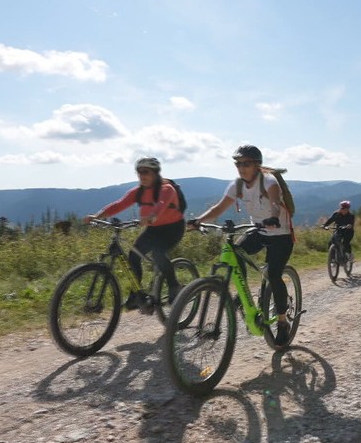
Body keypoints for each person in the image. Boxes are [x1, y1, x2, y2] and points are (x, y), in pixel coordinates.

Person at [191, 144, 294, 346]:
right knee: (235, 252)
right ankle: (243, 293)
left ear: (257, 165)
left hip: (280, 234)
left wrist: (274, 217)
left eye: (246, 163)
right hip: (259, 231)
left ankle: (282, 323)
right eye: (238, 163)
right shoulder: (237, 185)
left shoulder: (269, 181)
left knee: (273, 275)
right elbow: (219, 208)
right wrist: (198, 220)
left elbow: (274, 201)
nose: (241, 167)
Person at [84, 157, 186, 311]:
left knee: (158, 253)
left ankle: (174, 286)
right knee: (133, 255)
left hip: (173, 228)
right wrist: (97, 216)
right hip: (153, 229)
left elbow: (161, 205)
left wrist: (152, 216)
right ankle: (136, 296)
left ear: (155, 173)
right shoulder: (138, 192)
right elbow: (119, 204)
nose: (141, 175)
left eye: (146, 172)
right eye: (139, 171)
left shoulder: (166, 189)